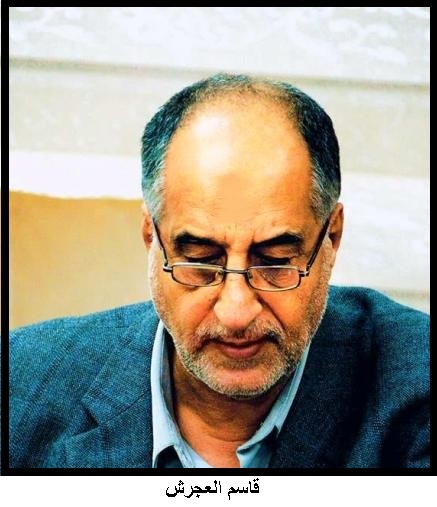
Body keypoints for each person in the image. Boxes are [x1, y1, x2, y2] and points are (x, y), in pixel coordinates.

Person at [9, 73, 429, 469]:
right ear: (151, 237)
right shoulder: (19, 387)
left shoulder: (417, 386)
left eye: (275, 261)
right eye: (201, 261)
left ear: (331, 238)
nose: (236, 313)